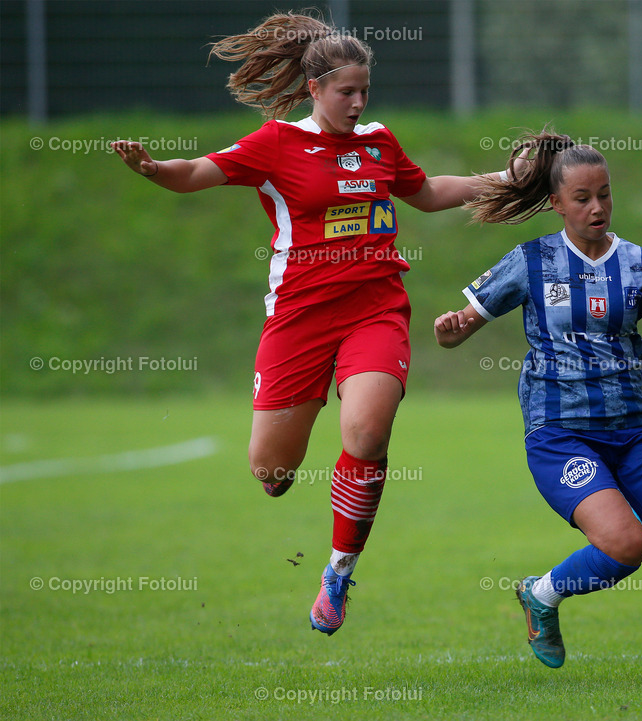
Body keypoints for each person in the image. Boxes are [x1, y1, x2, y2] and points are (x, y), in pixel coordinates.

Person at [111, 11, 518, 637]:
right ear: (314, 90)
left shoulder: (380, 142)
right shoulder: (276, 143)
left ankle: (338, 571)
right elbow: (197, 173)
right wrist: (150, 169)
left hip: (375, 308)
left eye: (363, 92)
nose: (357, 104)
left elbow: (430, 191)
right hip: (299, 320)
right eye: (344, 92)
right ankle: (296, 447)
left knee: (367, 433)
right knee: (272, 472)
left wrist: (506, 179)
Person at [434, 131, 642, 672]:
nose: (597, 207)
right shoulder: (531, 262)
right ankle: (541, 595)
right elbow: (456, 333)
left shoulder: (641, 265)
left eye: (605, 194)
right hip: (560, 434)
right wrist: (449, 329)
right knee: (624, 545)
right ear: (556, 203)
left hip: (636, 431)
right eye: (582, 198)